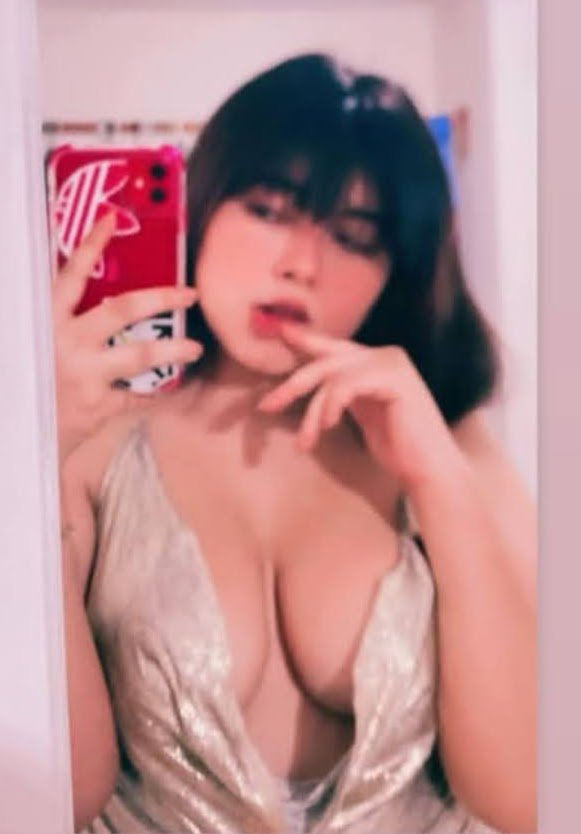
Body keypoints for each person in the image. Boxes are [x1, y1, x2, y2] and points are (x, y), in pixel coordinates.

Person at [55, 53, 536, 834]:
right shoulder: (90, 439)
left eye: (352, 237)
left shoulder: (446, 440)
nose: (300, 264)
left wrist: (438, 482)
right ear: (200, 204)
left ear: (396, 271)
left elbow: (528, 796)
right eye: (267, 211)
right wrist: (30, 464)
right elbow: (57, 797)